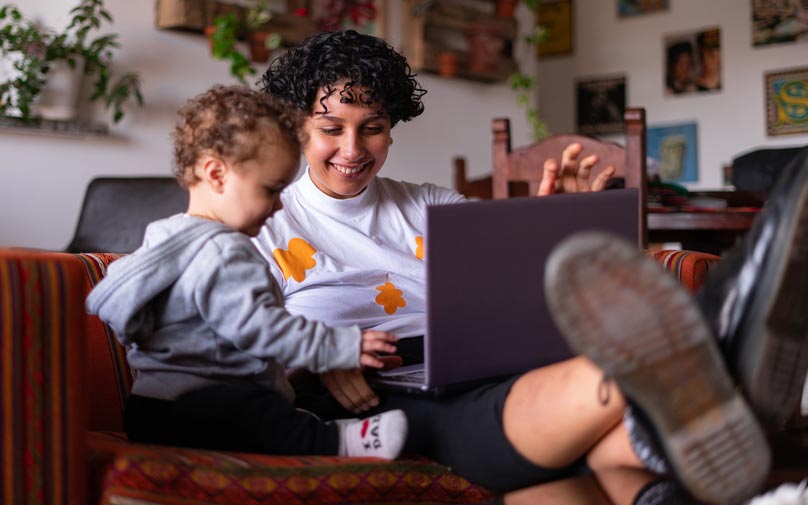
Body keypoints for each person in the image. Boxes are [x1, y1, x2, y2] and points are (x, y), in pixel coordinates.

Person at [254, 30, 808, 503]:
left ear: (392, 127)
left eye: (371, 127)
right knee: (548, 434)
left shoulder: (429, 206)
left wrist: (558, 224)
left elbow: (523, 285)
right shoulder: (266, 221)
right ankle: (706, 363)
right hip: (374, 394)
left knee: (545, 470)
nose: (353, 147)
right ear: (297, 126)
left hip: (482, 369)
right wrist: (318, 352)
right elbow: (230, 327)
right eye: (331, 128)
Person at [85, 85, 409, 460]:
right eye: (270, 191)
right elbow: (261, 329)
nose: (277, 207)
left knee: (272, 408)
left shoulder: (165, 236)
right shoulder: (225, 250)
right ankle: (336, 441)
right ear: (217, 175)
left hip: (148, 410)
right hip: (208, 406)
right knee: (262, 414)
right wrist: (342, 346)